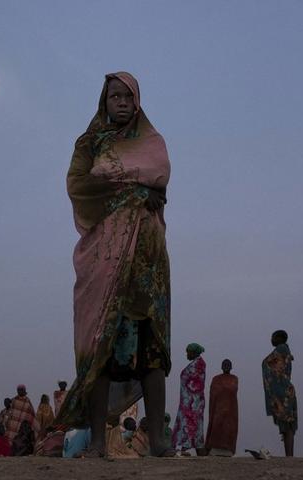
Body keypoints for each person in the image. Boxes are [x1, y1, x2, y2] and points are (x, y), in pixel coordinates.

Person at [60, 71, 173, 458]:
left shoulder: (151, 141)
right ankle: (95, 442)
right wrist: (136, 188)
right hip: (104, 255)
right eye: (114, 96)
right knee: (100, 342)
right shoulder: (90, 143)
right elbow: (79, 185)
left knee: (151, 347)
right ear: (103, 101)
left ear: (137, 100)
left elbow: (160, 182)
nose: (122, 102)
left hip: (144, 255)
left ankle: (157, 438)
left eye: (128, 96)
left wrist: (144, 190)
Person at [262, 330, 298, 457]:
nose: (271, 339)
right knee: (286, 425)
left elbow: (267, 362)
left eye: (273, 337)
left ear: (280, 338)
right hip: (284, 391)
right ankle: (289, 454)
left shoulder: (282, 349)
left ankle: (289, 455)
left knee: (287, 425)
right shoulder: (284, 350)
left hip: (284, 392)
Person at [171, 343, 207, 455]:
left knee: (191, 424)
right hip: (188, 402)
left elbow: (196, 384)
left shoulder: (199, 364)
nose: (186, 354)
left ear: (194, 352)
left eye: (188, 352)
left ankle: (189, 448)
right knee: (189, 424)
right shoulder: (196, 364)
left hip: (193, 403)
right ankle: (193, 448)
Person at [205, 359, 239, 456]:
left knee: (229, 429)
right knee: (216, 427)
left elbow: (233, 390)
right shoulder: (216, 379)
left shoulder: (234, 378)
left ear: (231, 367)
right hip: (218, 409)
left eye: (228, 365)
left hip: (231, 410)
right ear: (221, 366)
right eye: (224, 365)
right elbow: (213, 393)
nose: (226, 367)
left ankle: (228, 449)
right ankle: (214, 448)